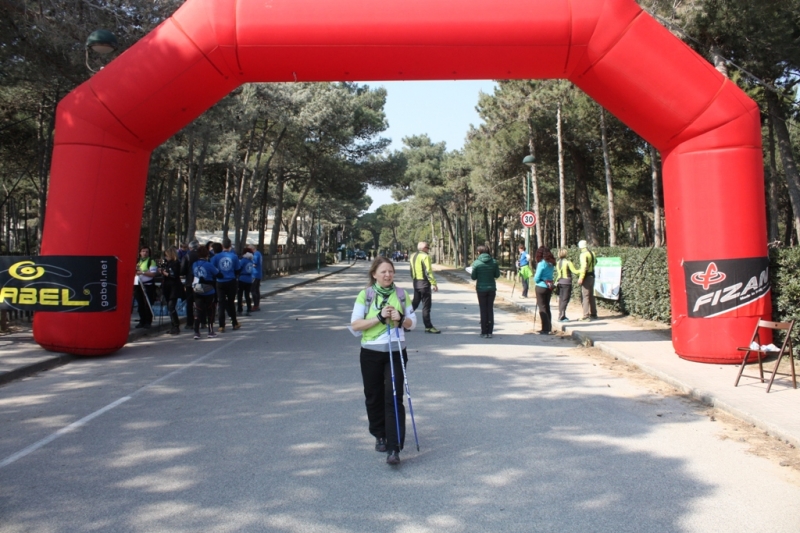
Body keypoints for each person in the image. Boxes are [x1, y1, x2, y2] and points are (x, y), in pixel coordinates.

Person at [350, 257, 416, 465]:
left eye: (391, 271)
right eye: (383, 272)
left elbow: (412, 323)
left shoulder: (401, 295)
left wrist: (400, 317)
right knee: (374, 394)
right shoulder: (366, 295)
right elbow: (355, 325)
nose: (388, 275)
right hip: (370, 352)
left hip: (396, 351)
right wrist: (379, 317)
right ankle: (379, 433)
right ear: (374, 274)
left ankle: (394, 447)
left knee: (394, 396)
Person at [471, 245, 500, 338]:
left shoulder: (476, 263)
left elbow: (473, 277)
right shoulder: (494, 262)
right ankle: (490, 332)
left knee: (483, 309)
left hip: (481, 289)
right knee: (490, 309)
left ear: (479, 252)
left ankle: (484, 331)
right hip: (491, 288)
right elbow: (497, 275)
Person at [410, 241, 440, 334]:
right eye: (428, 247)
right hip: (424, 283)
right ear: (423, 248)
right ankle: (428, 326)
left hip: (416, 282)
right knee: (426, 306)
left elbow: (411, 269)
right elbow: (428, 271)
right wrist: (434, 283)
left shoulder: (413, 256)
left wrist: (414, 279)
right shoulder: (425, 256)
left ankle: (402, 322)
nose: (429, 249)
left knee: (414, 304)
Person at [211, 238, 240, 332]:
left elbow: (212, 269)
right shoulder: (234, 256)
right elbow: (237, 269)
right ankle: (234, 323)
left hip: (220, 282)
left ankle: (221, 325)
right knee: (231, 303)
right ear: (230, 245)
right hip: (231, 280)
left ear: (222, 246)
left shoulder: (216, 257)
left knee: (221, 303)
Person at [192, 246, 219, 339]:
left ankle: (196, 331)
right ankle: (210, 331)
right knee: (210, 310)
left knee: (198, 310)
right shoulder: (209, 264)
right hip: (209, 290)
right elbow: (218, 274)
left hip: (197, 289)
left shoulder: (194, 264)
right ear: (207, 254)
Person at [160, 247, 185, 335]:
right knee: (169, 306)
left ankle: (176, 326)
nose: (166, 257)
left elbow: (174, 275)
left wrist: (165, 273)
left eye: (167, 255)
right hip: (167, 287)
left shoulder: (176, 263)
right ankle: (173, 325)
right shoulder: (167, 263)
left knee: (171, 306)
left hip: (173, 287)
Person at [134, 246, 158, 329]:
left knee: (147, 304)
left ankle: (148, 321)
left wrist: (142, 272)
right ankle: (142, 320)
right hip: (138, 285)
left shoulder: (151, 261)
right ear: (140, 252)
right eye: (143, 251)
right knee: (140, 304)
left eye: (146, 252)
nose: (145, 253)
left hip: (148, 285)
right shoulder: (137, 261)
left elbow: (153, 274)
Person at [533, 246, 556, 335]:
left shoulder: (541, 263)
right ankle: (549, 327)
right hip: (549, 286)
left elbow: (537, 277)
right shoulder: (551, 263)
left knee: (542, 307)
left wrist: (537, 280)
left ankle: (545, 328)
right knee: (547, 306)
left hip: (541, 286)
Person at [555, 248, 580, 322]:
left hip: (559, 282)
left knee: (561, 299)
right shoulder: (568, 262)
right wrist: (582, 270)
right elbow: (574, 271)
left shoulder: (558, 262)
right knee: (565, 299)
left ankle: (561, 315)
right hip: (567, 282)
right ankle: (561, 316)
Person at [180, 240, 200, 331]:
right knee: (201, 302)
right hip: (200, 281)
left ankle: (190, 323)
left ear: (190, 247)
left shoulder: (187, 256)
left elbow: (182, 270)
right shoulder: (202, 255)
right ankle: (202, 321)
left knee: (190, 303)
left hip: (190, 282)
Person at [577, 240, 598, 321]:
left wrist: (581, 277)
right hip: (592, 275)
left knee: (585, 296)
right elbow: (595, 261)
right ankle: (594, 313)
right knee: (591, 295)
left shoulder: (583, 254)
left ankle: (585, 315)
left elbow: (584, 266)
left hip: (586, 276)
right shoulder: (592, 253)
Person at [237, 250, 254, 316]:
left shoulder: (243, 260)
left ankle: (239, 309)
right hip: (249, 279)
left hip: (242, 278)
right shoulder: (251, 261)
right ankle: (249, 309)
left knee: (240, 295)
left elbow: (239, 268)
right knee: (247, 295)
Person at [249, 245, 263, 311]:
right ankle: (257, 304)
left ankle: (256, 305)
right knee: (256, 289)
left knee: (253, 290)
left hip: (255, 274)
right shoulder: (258, 253)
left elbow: (254, 263)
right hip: (258, 273)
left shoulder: (256, 255)